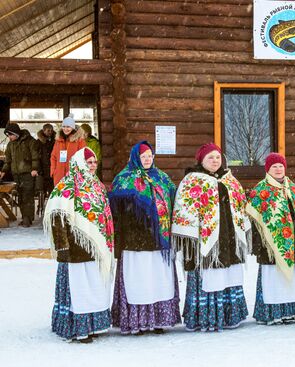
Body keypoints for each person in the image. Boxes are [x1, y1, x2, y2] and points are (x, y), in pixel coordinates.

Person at [172, 143, 251, 331]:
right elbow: (185, 209)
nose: (215, 161)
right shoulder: (192, 181)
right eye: (210, 158)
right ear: (201, 160)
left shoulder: (230, 180)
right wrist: (191, 238)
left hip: (229, 239)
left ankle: (230, 317)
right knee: (209, 275)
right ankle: (205, 318)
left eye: (218, 157)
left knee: (228, 275)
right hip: (205, 241)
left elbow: (241, 206)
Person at [43, 147, 114, 343]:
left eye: (94, 162)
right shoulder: (66, 186)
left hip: (96, 248)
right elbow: (57, 215)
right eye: (88, 162)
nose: (92, 166)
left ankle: (94, 324)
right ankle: (79, 326)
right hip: (75, 248)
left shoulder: (97, 186)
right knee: (80, 287)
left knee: (95, 286)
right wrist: (62, 245)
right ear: (79, 163)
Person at [109, 141, 181, 335]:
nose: (148, 159)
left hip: (159, 241)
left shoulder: (162, 179)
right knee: (138, 281)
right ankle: (137, 320)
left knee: (158, 279)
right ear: (135, 158)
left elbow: (175, 202)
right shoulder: (124, 179)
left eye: (150, 155)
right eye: (144, 156)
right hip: (135, 241)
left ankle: (159, 320)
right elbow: (116, 212)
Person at [246, 153, 295, 325]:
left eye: (281, 166)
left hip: (294, 242)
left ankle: (293, 309)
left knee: (294, 278)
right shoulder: (261, 190)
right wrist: (260, 244)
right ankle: (273, 312)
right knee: (274, 279)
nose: (278, 169)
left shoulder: (294, 189)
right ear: (268, 169)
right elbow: (255, 220)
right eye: (274, 166)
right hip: (270, 244)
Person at [0, 123, 40, 227]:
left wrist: (34, 168)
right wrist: (3, 171)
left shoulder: (30, 141)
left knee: (27, 196)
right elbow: (7, 160)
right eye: (7, 135)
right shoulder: (10, 144)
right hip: (16, 174)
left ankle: (28, 219)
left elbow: (35, 156)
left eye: (10, 135)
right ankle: (25, 218)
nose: (9, 137)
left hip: (28, 173)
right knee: (20, 196)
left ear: (16, 133)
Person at [50, 114, 86, 185]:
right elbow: (53, 157)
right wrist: (53, 171)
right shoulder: (58, 141)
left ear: (72, 127)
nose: (65, 129)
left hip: (74, 176)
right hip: (59, 176)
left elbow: (83, 157)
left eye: (68, 127)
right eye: (64, 126)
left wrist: (80, 173)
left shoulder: (79, 141)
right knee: (60, 195)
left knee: (72, 195)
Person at [37, 123, 56, 195]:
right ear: (44, 131)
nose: (50, 132)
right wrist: (38, 169)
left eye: (51, 130)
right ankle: (41, 205)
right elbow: (37, 156)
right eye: (48, 131)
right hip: (42, 169)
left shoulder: (55, 141)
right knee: (42, 192)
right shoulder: (38, 142)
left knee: (53, 191)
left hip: (52, 169)